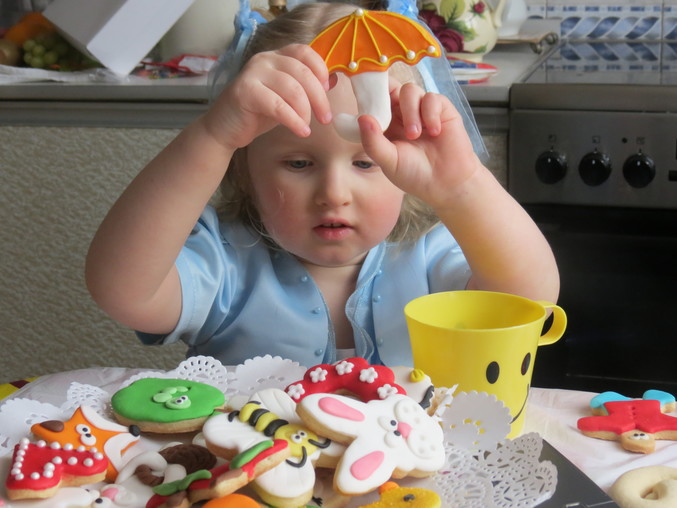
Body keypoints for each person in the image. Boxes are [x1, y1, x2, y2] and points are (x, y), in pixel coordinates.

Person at [85, 1, 559, 368]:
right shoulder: (225, 264)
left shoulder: (431, 259)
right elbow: (123, 292)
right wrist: (213, 137)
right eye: (298, 163)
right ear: (243, 169)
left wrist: (462, 187)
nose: (334, 193)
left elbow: (530, 302)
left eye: (366, 162)